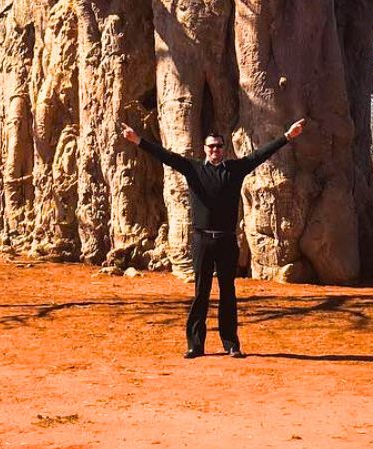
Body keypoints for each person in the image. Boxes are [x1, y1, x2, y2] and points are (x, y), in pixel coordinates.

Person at [120, 118, 305, 359]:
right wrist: (138, 141)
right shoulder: (194, 169)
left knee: (228, 292)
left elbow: (259, 155)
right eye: (211, 147)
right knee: (201, 292)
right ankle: (195, 344)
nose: (215, 150)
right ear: (204, 149)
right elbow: (167, 156)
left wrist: (288, 136)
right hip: (201, 240)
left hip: (227, 241)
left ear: (224, 148)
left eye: (219, 146)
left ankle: (231, 343)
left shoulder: (234, 170)